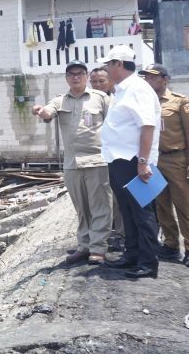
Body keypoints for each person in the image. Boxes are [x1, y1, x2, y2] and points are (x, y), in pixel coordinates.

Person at [33, 60, 112, 265]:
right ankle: (84, 246)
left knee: (100, 206)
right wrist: (42, 112)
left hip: (97, 160)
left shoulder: (101, 98)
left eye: (80, 73)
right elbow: (48, 113)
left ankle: (98, 249)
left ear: (86, 76)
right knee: (81, 208)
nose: (76, 77)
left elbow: (115, 124)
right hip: (72, 163)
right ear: (67, 78)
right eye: (71, 74)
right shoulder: (60, 100)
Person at [98, 46, 161, 279]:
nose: (105, 68)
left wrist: (143, 162)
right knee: (127, 210)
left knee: (142, 212)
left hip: (133, 160)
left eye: (108, 64)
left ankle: (148, 262)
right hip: (118, 159)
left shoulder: (136, 88)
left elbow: (147, 126)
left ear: (118, 64)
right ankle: (132, 255)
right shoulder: (122, 90)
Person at [139, 64, 189, 270]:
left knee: (184, 205)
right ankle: (170, 244)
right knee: (162, 204)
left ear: (165, 79)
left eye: (153, 77)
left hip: (177, 159)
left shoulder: (180, 101)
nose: (148, 80)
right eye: (146, 77)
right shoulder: (144, 102)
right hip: (155, 159)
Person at [90, 65, 123, 250]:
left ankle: (120, 235)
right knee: (99, 199)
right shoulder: (86, 102)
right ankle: (99, 236)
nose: (97, 85)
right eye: (93, 81)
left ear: (110, 81)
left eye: (101, 81)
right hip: (95, 157)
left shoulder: (118, 101)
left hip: (117, 157)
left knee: (118, 197)